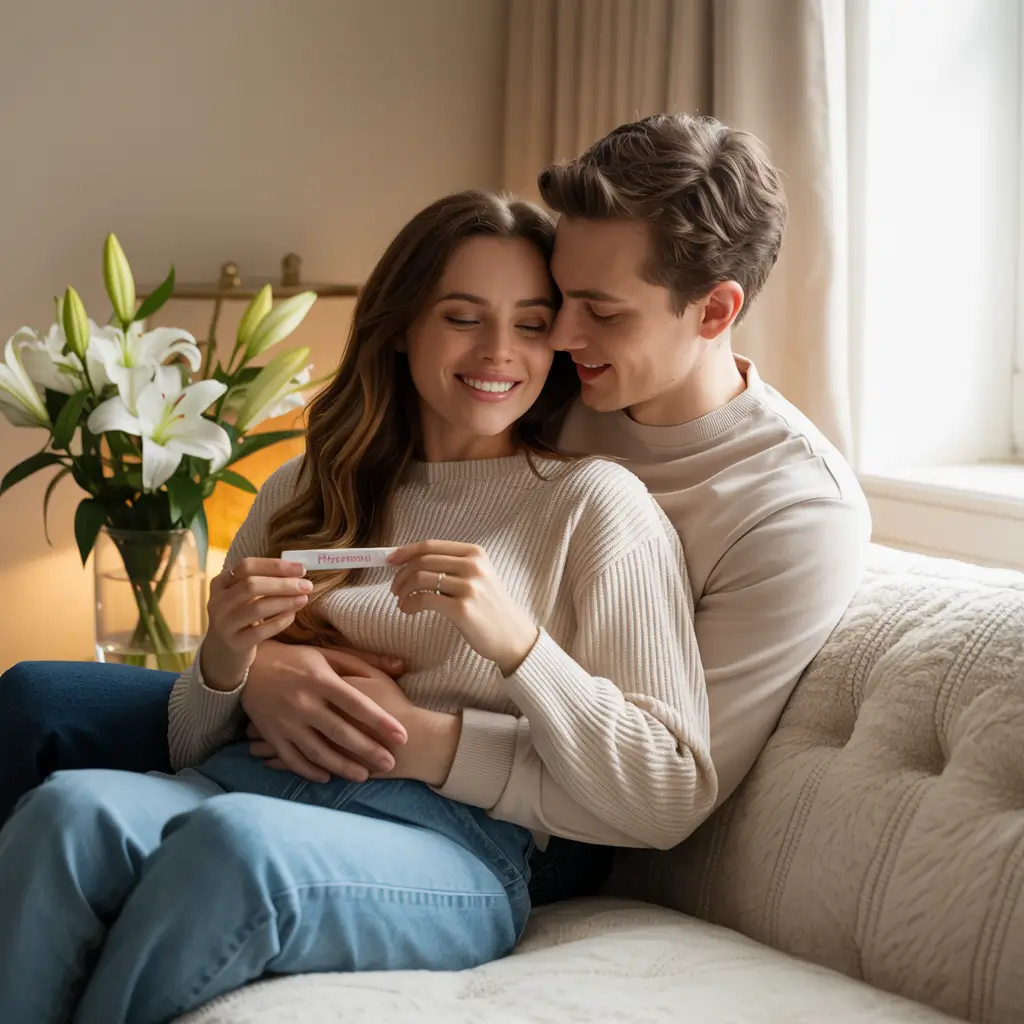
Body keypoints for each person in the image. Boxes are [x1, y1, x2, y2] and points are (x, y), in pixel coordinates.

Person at [0, 111, 870, 865]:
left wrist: (402, 731)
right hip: (334, 710)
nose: (554, 337)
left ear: (715, 312)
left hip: (511, 800)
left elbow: (660, 787)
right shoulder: (549, 383)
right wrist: (259, 670)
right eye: (555, 300)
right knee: (38, 700)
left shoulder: (794, 511)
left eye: (595, 311)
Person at [0, 189, 716, 1023]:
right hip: (241, 785)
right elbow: (191, 742)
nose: (499, 350)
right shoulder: (299, 490)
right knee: (67, 811)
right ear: (402, 324)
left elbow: (670, 790)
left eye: (530, 323)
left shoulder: (595, 506)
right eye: (462, 316)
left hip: (450, 846)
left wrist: (520, 646)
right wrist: (228, 665)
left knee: (239, 851)